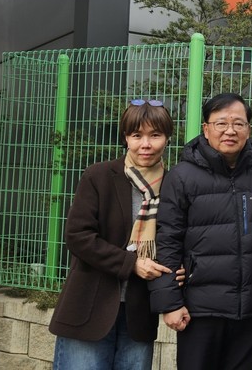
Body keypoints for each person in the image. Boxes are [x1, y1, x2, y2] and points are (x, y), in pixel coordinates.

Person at [149, 92, 252, 370]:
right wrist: (170, 303)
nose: (230, 131)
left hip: (250, 309)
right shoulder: (182, 176)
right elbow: (168, 239)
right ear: (206, 129)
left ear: (248, 129)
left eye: (238, 123)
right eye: (221, 123)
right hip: (199, 309)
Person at [49, 99, 177, 370]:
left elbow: (176, 239)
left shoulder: (173, 184)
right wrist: (131, 264)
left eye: (155, 135)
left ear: (167, 138)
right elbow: (78, 236)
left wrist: (178, 268)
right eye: (137, 135)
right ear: (126, 138)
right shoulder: (100, 176)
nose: (145, 144)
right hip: (89, 304)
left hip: (139, 313)